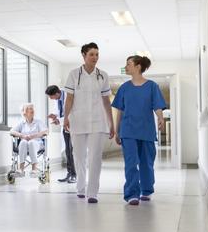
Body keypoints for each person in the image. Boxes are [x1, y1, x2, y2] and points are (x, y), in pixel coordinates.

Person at [63, 43, 115, 204]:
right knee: (78, 156)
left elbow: (106, 101)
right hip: (77, 121)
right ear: (84, 56)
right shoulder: (73, 74)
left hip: (98, 122)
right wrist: (65, 117)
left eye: (97, 54)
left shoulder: (103, 76)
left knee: (95, 158)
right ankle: (80, 187)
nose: (95, 58)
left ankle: (92, 192)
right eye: (91, 54)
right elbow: (69, 98)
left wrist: (111, 123)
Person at [112, 56, 166, 206]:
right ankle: (131, 194)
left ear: (138, 66)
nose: (126, 67)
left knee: (146, 163)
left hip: (146, 130)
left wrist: (161, 118)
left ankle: (146, 190)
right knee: (131, 162)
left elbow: (157, 105)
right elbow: (120, 112)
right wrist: (117, 131)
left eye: (128, 64)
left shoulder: (152, 86)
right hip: (128, 130)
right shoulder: (124, 88)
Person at [46, 85, 76, 183]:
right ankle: (69, 173)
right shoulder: (58, 99)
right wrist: (55, 116)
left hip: (73, 126)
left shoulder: (69, 96)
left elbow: (71, 113)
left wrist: (59, 120)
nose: (51, 99)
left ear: (57, 93)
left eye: (51, 97)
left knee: (72, 151)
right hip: (65, 127)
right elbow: (61, 113)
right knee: (67, 151)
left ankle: (74, 175)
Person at [10, 103, 48, 177]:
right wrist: (22, 135)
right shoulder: (22, 123)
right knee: (23, 142)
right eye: (29, 109)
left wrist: (33, 136)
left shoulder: (38, 122)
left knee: (31, 142)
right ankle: (21, 169)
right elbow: (12, 131)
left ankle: (34, 169)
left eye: (32, 108)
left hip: (37, 144)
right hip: (24, 146)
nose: (32, 110)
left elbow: (46, 131)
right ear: (24, 112)